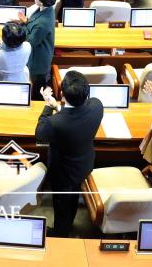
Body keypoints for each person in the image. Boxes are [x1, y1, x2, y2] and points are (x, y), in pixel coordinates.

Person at [35, 70, 104, 237]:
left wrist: (47, 105)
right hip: (84, 164)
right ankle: (68, 223)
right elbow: (74, 116)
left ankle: (61, 232)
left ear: (62, 95)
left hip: (62, 172)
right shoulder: (97, 106)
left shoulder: (54, 122)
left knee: (62, 203)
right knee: (73, 195)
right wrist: (58, 107)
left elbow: (40, 134)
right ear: (87, 93)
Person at [25, 0, 57, 99]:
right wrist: (27, 21)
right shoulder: (46, 9)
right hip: (40, 53)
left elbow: (30, 41)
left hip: (37, 61)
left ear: (42, 1)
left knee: (37, 91)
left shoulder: (43, 23)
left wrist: (23, 25)